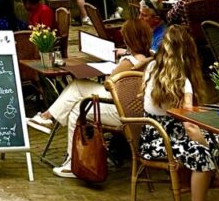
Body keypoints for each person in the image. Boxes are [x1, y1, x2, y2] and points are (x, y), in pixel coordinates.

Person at [140, 25, 219, 201]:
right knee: (204, 155)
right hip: (162, 137)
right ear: (190, 53)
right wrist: (214, 164)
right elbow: (190, 126)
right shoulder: (182, 82)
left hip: (160, 135)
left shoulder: (153, 68)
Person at [27, 18, 154, 178]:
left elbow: (110, 84)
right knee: (77, 102)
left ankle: (73, 160)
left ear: (128, 38)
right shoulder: (149, 58)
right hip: (135, 108)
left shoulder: (128, 62)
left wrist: (112, 69)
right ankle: (71, 158)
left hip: (119, 109)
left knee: (78, 90)